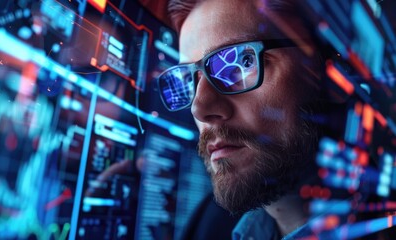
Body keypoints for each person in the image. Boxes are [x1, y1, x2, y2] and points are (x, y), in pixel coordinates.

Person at [156, 0, 380, 239]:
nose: (199, 108)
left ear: (335, 75)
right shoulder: (206, 225)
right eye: (190, 80)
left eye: (243, 62)